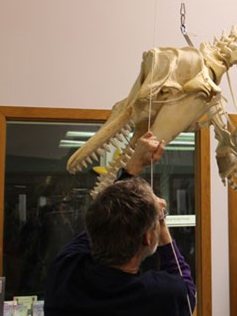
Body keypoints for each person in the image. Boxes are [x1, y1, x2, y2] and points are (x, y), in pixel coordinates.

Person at [44, 132, 196, 316]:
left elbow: (104, 219)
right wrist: (161, 223)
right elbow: (185, 285)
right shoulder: (161, 295)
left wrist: (132, 166)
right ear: (147, 238)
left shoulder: (65, 274)